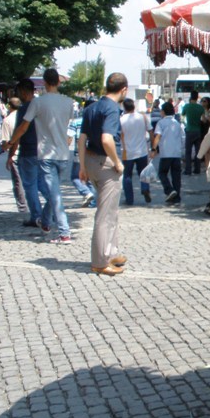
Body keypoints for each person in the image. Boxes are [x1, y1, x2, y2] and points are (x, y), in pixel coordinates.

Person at [7, 68, 75, 243]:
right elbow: (65, 126)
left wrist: (10, 142)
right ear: (58, 82)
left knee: (55, 195)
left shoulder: (38, 103)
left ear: (44, 82)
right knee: (53, 192)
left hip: (46, 154)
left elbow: (23, 127)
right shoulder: (68, 102)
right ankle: (45, 222)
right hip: (62, 153)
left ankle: (64, 232)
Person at [79, 72, 128, 275]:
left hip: (90, 160)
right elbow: (107, 139)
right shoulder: (112, 109)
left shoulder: (91, 108)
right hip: (105, 163)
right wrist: (118, 162)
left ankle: (111, 252)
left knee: (110, 211)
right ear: (123, 89)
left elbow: (81, 139)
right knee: (105, 214)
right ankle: (100, 261)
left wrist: (82, 167)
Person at [6, 79, 50, 227]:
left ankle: (36, 216)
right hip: (43, 151)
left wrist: (11, 151)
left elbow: (20, 131)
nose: (18, 95)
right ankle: (54, 208)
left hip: (28, 151)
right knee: (42, 184)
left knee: (30, 185)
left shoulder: (25, 109)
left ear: (24, 91)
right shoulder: (43, 107)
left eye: (19, 92)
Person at [120, 98, 152, 205]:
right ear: (134, 106)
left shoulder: (121, 120)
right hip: (142, 150)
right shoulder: (142, 117)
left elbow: (119, 135)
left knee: (127, 176)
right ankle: (145, 188)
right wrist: (153, 146)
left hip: (127, 152)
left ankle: (129, 199)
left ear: (124, 107)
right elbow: (150, 131)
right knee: (143, 173)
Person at [152, 101, 184, 204]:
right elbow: (182, 138)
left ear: (163, 112)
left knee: (162, 173)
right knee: (176, 176)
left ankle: (169, 190)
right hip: (176, 153)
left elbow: (157, 136)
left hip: (166, 152)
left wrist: (153, 149)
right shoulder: (177, 123)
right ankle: (177, 197)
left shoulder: (161, 123)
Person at [1, 97, 28, 213]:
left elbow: (5, 142)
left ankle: (23, 208)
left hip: (16, 155)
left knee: (18, 183)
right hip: (30, 153)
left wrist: (8, 154)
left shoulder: (7, 120)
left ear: (9, 106)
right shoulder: (27, 117)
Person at [67, 104, 97, 208]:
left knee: (75, 177)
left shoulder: (76, 122)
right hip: (93, 153)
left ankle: (87, 193)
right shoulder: (96, 121)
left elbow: (69, 137)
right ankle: (93, 202)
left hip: (79, 153)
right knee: (90, 178)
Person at [181, 90, 204, 175]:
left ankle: (188, 170)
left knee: (188, 151)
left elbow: (182, 117)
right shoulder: (200, 108)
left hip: (189, 130)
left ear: (190, 97)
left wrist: (185, 123)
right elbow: (204, 119)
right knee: (198, 151)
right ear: (197, 97)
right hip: (198, 130)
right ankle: (197, 169)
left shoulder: (186, 107)